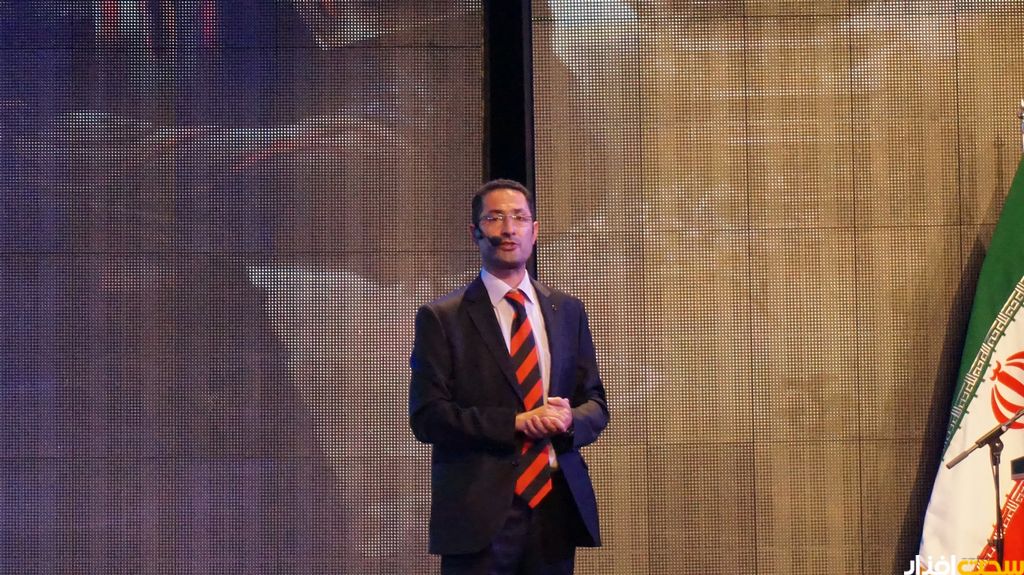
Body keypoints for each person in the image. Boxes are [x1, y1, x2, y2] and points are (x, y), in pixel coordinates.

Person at [409, 179, 609, 574]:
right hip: (477, 513)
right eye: (495, 218)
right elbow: (428, 417)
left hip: (554, 507)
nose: (508, 229)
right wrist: (514, 423)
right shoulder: (442, 318)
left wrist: (569, 419)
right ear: (475, 232)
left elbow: (596, 403)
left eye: (519, 218)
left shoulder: (567, 311)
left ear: (534, 231)